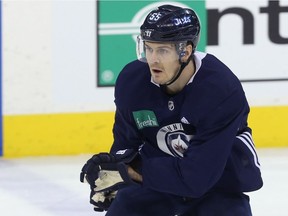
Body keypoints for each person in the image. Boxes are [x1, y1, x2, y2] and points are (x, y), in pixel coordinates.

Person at [81, 4, 263, 216]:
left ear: (185, 52)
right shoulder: (133, 81)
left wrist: (132, 173)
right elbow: (126, 142)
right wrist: (114, 176)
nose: (153, 59)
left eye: (163, 50)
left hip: (218, 185)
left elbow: (198, 178)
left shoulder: (220, 89)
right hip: (156, 181)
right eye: (148, 48)